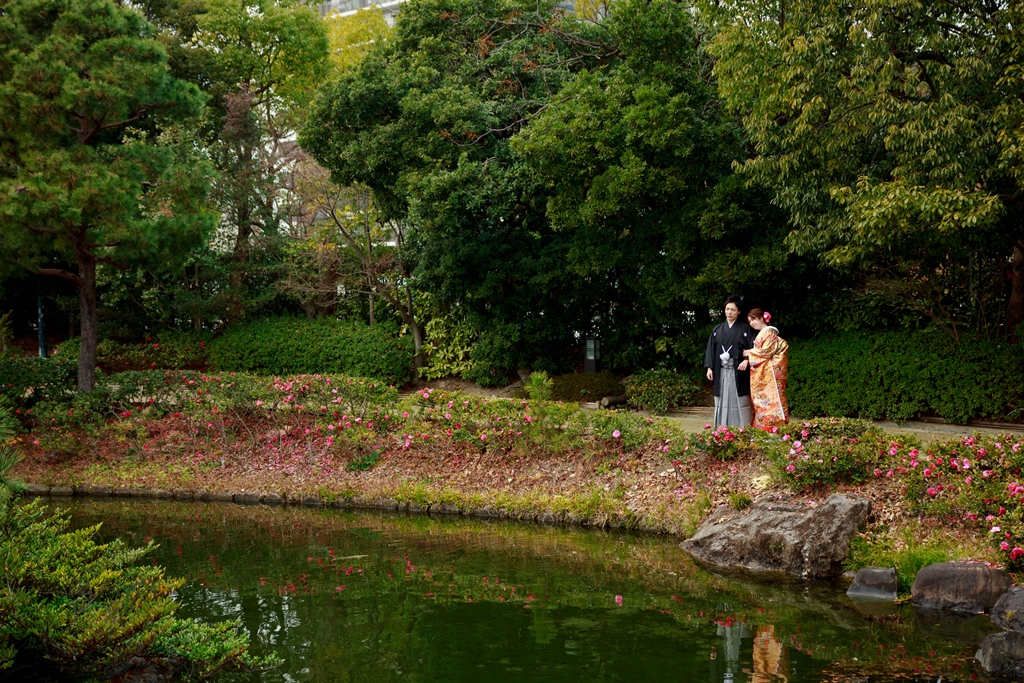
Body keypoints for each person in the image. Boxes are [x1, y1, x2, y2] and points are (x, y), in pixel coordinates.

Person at [703, 296, 753, 428]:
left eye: (732, 309)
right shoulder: (717, 330)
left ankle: (742, 429)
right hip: (721, 370)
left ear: (739, 312)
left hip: (738, 371)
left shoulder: (745, 329)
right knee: (722, 400)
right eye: (727, 309)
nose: (729, 312)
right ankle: (721, 428)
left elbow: (752, 348)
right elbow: (711, 350)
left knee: (740, 400)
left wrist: (747, 360)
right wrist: (709, 368)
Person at [742, 308, 789, 430]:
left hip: (771, 374)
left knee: (771, 398)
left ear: (761, 318)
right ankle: (766, 425)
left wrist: (750, 352)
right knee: (764, 400)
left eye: (753, 319)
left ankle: (774, 425)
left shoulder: (769, 333)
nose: (752, 323)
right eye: (749, 321)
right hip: (767, 372)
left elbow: (766, 352)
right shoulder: (764, 333)